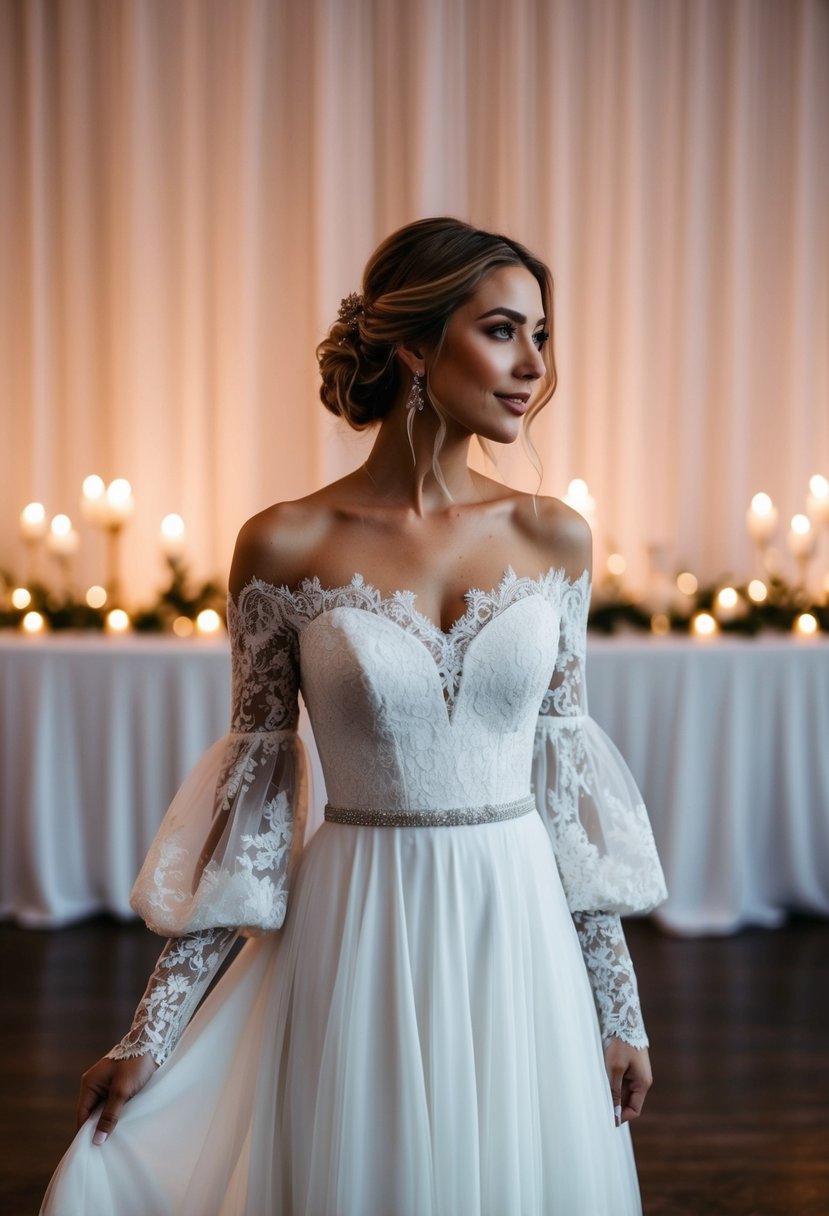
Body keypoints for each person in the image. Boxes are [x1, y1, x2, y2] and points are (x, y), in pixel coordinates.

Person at [41, 216, 667, 1215]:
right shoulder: (284, 543)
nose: (533, 366)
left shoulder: (554, 538)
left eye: (541, 337)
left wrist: (616, 1006)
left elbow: (566, 788)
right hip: (358, 925)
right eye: (503, 330)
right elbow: (250, 807)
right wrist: (147, 1033)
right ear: (416, 344)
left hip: (519, 935)